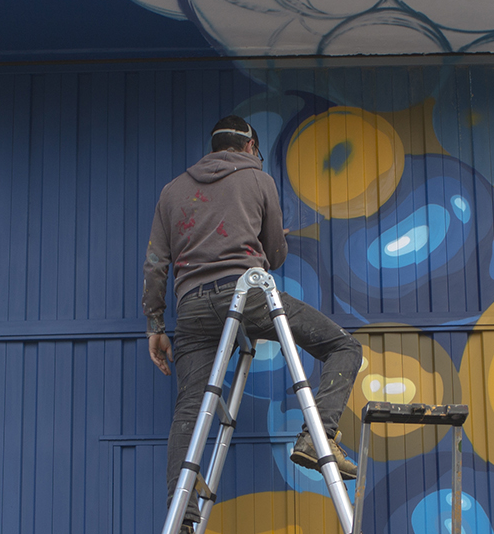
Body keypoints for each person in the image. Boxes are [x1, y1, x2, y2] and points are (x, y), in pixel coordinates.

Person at [143, 114, 363, 526]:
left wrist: (155, 326)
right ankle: (319, 437)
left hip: (191, 307)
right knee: (344, 346)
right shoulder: (258, 179)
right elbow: (275, 254)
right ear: (249, 147)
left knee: (191, 408)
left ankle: (183, 510)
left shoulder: (172, 191)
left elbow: (156, 264)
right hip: (246, 295)